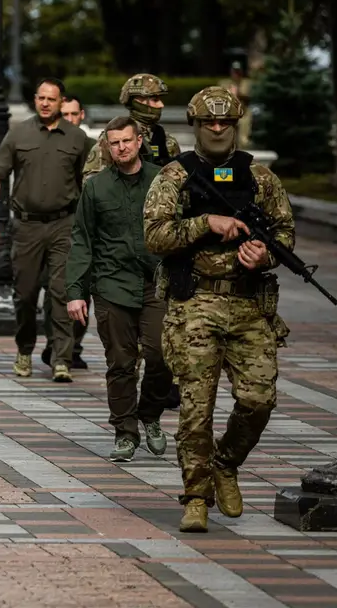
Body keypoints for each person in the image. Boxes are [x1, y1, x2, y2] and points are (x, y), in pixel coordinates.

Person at [144, 86, 294, 533]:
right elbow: (154, 236)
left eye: (224, 122)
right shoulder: (174, 176)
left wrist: (265, 255)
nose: (216, 128)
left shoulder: (262, 178)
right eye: (209, 122)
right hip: (195, 305)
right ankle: (195, 496)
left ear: (235, 125)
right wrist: (205, 223)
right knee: (196, 409)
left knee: (258, 399)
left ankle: (225, 464)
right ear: (195, 124)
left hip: (249, 304)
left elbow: (285, 233)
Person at [66, 116, 172, 462]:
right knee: (121, 363)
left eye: (127, 140)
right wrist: (75, 291)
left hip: (156, 282)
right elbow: (82, 239)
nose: (121, 148)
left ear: (139, 141)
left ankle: (151, 414)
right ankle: (125, 432)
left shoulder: (162, 180)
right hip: (112, 284)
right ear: (106, 147)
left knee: (160, 355)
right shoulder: (96, 188)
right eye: (114, 143)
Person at [0, 77, 89, 382]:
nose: (45, 103)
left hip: (64, 225)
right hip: (26, 227)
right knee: (25, 294)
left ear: (61, 102)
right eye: (40, 98)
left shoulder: (77, 138)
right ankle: (24, 348)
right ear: (35, 99)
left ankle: (61, 359)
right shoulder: (18, 133)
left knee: (61, 293)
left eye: (51, 99)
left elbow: (90, 183)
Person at [41, 94, 98, 369]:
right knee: (57, 288)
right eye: (66, 115)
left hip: (84, 227)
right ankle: (56, 344)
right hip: (59, 226)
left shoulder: (91, 146)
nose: (71, 120)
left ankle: (73, 345)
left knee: (81, 288)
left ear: (82, 115)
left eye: (75, 115)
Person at [83, 74, 180, 180]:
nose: (161, 105)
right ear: (136, 101)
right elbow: (92, 183)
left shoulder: (167, 141)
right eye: (155, 99)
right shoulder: (112, 138)